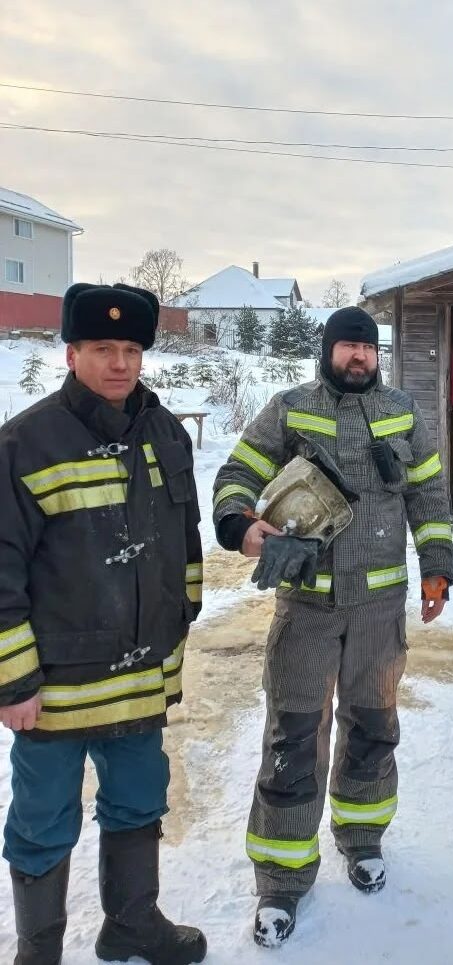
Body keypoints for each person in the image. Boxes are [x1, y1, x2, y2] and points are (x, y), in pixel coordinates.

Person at [212, 306, 453, 948]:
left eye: (367, 348)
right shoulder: (290, 407)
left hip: (381, 606)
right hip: (307, 606)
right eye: (347, 346)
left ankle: (363, 837)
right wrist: (244, 527)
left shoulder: (402, 410)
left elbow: (428, 494)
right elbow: (237, 475)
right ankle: (282, 878)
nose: (358, 357)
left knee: (373, 726)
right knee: (293, 734)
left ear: (378, 355)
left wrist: (437, 567)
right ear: (327, 351)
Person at [0, 283, 207, 964]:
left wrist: (175, 642)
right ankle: (39, 949)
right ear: (71, 352)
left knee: (138, 802)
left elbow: (186, 547)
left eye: (129, 349)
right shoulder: (24, 443)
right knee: (41, 822)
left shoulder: (166, 432)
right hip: (55, 687)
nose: (118, 362)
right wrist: (14, 679)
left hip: (140, 676)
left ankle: (130, 924)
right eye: (101, 348)